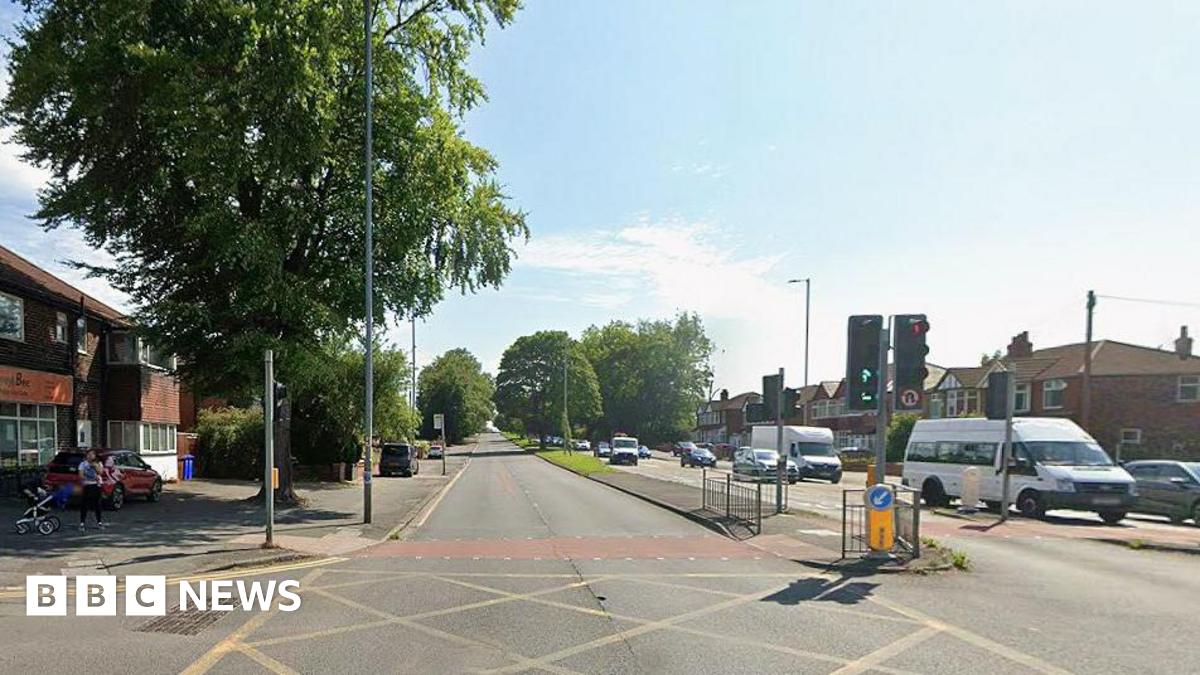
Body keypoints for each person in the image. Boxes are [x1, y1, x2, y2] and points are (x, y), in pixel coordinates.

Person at [78, 450, 105, 530]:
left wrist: (95, 466)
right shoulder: (83, 464)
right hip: (87, 485)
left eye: (92, 454)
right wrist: (92, 477)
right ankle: (82, 523)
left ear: (95, 456)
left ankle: (99, 522)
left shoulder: (98, 463)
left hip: (97, 485)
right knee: (84, 504)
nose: (90, 456)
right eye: (88, 454)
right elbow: (81, 475)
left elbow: (100, 472)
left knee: (97, 504)